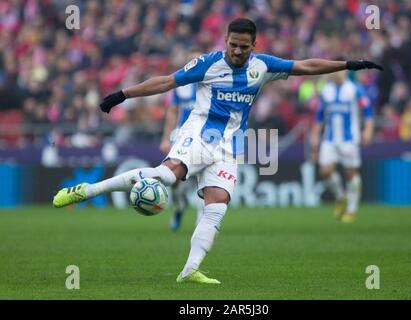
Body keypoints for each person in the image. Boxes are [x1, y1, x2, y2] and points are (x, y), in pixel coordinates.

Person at [53, 18, 382, 284]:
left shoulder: (263, 67)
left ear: (254, 46)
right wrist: (122, 95)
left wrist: (347, 64)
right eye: (232, 44)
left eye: (243, 46)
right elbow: (167, 82)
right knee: (166, 177)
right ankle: (86, 190)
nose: (236, 51)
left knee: (218, 204)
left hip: (230, 147)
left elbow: (306, 66)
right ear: (225, 41)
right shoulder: (208, 63)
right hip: (198, 134)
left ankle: (189, 270)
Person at [309, 70, 374, 223]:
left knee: (351, 173)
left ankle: (352, 210)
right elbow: (319, 116)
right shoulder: (326, 90)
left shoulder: (355, 89)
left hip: (349, 139)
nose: (336, 73)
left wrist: (369, 129)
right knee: (325, 172)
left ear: (345, 72)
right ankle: (341, 196)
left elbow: (367, 110)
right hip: (329, 139)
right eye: (333, 70)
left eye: (339, 70)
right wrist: (315, 135)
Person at [160, 50, 204, 231]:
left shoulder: (214, 84)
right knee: (174, 181)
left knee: (205, 179)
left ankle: (202, 223)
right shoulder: (181, 85)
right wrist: (165, 138)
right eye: (192, 60)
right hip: (182, 136)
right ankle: (179, 207)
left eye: (199, 60)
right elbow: (172, 112)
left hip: (206, 137)